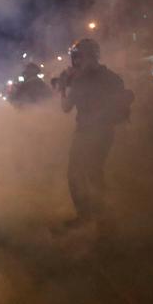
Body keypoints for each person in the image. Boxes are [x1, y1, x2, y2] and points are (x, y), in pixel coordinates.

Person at [54, 39, 133, 233]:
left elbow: (65, 108)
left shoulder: (81, 80)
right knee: (94, 175)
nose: (75, 61)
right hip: (106, 133)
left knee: (78, 175)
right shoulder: (112, 77)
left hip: (87, 133)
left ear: (86, 57)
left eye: (78, 56)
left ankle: (96, 220)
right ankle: (101, 221)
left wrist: (63, 88)